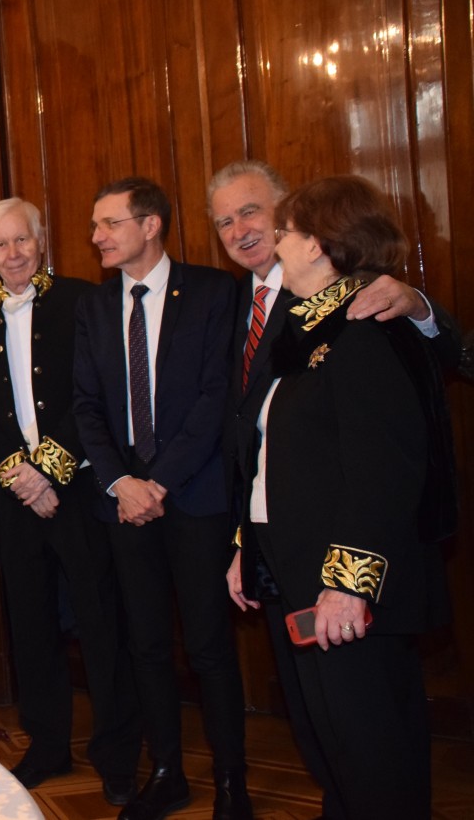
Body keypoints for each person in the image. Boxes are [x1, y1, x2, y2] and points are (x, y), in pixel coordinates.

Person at [208, 160, 461, 818]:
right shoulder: (312, 331)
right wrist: (248, 548)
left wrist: (349, 583)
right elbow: (274, 458)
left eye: (285, 232)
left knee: (375, 755)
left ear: (318, 244)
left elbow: (385, 472)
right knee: (338, 752)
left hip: (344, 588)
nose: (275, 244)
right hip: (299, 574)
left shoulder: (364, 329)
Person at [0, 199, 140, 804]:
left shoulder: (83, 301)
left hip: (81, 489)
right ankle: (49, 743)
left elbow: (97, 393)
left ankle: (116, 753)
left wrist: (49, 472)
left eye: (22, 240)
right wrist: (20, 477)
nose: (13, 254)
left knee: (100, 620)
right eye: (0, 245)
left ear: (41, 240)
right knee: (30, 623)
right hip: (14, 497)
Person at [72, 179, 249, 820]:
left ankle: (231, 783)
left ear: (150, 225)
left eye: (109, 223)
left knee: (208, 647)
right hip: (123, 504)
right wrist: (121, 483)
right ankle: (167, 772)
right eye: (95, 225)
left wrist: (159, 481)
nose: (96, 236)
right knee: (145, 645)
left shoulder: (213, 291)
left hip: (194, 496)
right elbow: (86, 406)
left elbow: (215, 398)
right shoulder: (95, 306)